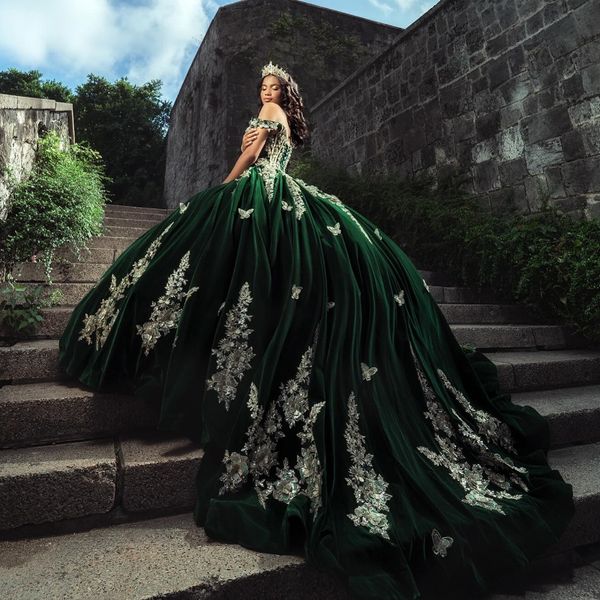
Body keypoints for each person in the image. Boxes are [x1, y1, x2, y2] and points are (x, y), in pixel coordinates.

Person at [58, 61, 575, 600]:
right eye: (262, 87)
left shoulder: (268, 115)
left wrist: (223, 185)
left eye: (272, 86)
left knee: (213, 263)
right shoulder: (286, 119)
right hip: (285, 189)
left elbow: (254, 156)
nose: (265, 92)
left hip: (261, 188)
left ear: (282, 94)